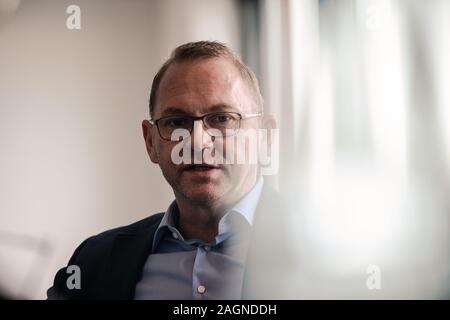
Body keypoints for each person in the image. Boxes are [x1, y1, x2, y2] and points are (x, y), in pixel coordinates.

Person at [47, 41, 292, 300]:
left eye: (222, 119)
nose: (197, 142)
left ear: (265, 137)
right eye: (177, 122)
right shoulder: (94, 262)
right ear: (151, 142)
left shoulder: (328, 252)